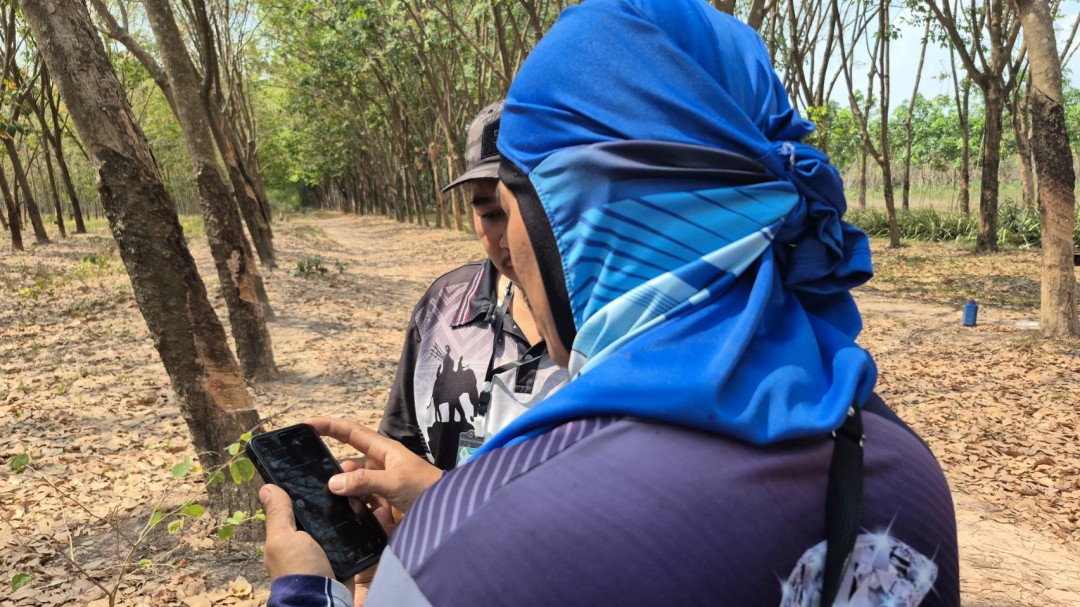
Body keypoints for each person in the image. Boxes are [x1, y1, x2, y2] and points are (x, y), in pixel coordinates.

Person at [260, 1, 960, 605]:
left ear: (570, 215)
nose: (505, 245)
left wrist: (304, 587)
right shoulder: (901, 466)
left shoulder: (479, 539)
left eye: (512, 204)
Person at [378, 100, 568, 470]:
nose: (510, 239)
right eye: (492, 214)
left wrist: (440, 495)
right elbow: (402, 448)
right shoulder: (443, 306)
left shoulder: (620, 327)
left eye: (531, 210)